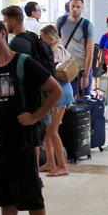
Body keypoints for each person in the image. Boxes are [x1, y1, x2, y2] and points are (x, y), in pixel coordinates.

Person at [0, 20, 62, 215]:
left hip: (22, 139)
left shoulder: (24, 63)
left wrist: (35, 117)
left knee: (30, 189)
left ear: (3, 34)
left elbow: (56, 90)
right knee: (3, 190)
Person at [39, 24, 73, 176]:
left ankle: (62, 165)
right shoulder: (59, 49)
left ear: (51, 39)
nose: (41, 40)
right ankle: (50, 162)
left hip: (60, 93)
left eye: (43, 38)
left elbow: (52, 73)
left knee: (52, 130)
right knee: (47, 130)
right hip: (60, 91)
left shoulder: (56, 52)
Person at [57, 0, 96, 97]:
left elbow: (90, 51)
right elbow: (56, 43)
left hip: (82, 68)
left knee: (84, 99)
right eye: (73, 6)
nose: (75, 9)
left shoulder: (87, 25)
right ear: (69, 6)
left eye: (78, 7)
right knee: (69, 99)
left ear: (82, 8)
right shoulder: (61, 21)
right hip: (66, 67)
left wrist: (86, 75)